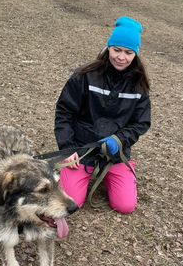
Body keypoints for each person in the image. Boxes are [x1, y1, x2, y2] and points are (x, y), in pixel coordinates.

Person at [54, 16, 151, 214]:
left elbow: (141, 123)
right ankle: (81, 173)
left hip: (115, 154)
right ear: (108, 48)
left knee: (125, 206)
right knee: (70, 203)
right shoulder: (84, 75)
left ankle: (119, 172)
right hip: (82, 150)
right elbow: (64, 112)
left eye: (128, 52)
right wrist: (67, 148)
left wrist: (120, 140)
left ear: (136, 55)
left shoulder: (139, 85)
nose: (121, 57)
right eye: (116, 50)